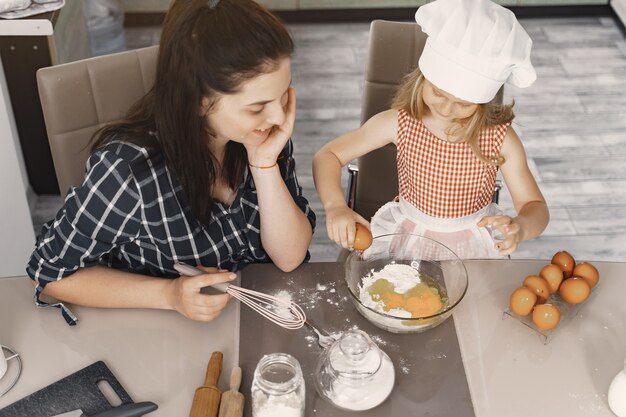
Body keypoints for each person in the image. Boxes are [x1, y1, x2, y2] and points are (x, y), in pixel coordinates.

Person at [26, 0, 315, 325]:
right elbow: (47, 273)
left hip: (256, 321)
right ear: (200, 102)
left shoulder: (261, 135)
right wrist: (169, 295)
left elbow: (289, 258)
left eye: (283, 96)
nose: (279, 117)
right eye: (257, 107)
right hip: (166, 335)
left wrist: (264, 166)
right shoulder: (127, 172)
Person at [313, 0, 549, 259]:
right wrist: (335, 206)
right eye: (438, 93)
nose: (446, 110)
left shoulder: (500, 139)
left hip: (473, 247)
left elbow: (534, 206)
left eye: (463, 103)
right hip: (407, 239)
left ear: (482, 102)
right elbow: (328, 156)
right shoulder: (398, 122)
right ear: (422, 78)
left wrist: (521, 227)